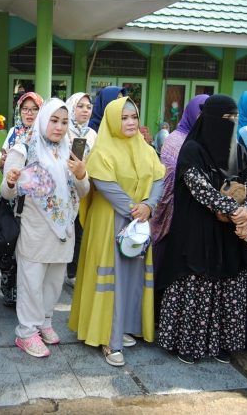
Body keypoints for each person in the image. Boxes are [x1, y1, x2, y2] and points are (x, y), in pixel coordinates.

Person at [157, 94, 247, 365]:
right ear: (211, 119)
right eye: (226, 118)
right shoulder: (192, 150)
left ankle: (220, 343)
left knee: (228, 285)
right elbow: (199, 188)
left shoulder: (239, 151)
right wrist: (236, 211)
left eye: (235, 118)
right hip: (198, 232)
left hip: (229, 235)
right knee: (197, 286)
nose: (231, 123)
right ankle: (187, 343)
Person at [68, 97, 165, 367]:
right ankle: (108, 337)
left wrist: (149, 206)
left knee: (131, 275)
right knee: (112, 276)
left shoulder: (146, 149)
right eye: (123, 118)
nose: (130, 122)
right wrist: (138, 209)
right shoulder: (102, 151)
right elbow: (106, 186)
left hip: (137, 223)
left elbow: (159, 178)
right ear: (112, 120)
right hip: (110, 222)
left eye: (133, 117)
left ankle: (123, 325)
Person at [2, 98, 90, 358]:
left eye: (64, 122)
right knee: (31, 282)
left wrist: (81, 174)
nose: (59, 127)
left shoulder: (70, 152)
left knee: (54, 283)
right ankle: (26, 332)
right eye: (53, 121)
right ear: (43, 120)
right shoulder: (24, 149)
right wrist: (10, 182)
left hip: (63, 231)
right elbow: (6, 193)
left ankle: (44, 322)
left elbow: (82, 192)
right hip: (35, 230)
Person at [151, 95, 209, 316]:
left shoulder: (204, 139)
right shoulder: (176, 140)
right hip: (171, 213)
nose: (204, 117)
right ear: (192, 112)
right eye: (200, 112)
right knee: (165, 262)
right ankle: (157, 313)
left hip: (193, 215)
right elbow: (168, 181)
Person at [0, 91, 43, 307]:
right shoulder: (14, 132)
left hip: (35, 200)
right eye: (25, 109)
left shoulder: (44, 134)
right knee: (11, 245)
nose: (29, 113)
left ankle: (28, 295)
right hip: (13, 198)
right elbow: (2, 166)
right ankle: (10, 292)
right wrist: (3, 163)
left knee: (30, 249)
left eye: (34, 109)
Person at [64, 92, 97, 287]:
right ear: (71, 107)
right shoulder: (63, 129)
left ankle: (72, 272)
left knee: (79, 232)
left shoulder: (92, 134)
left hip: (83, 188)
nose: (85, 110)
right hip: (64, 189)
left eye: (89, 107)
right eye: (80, 106)